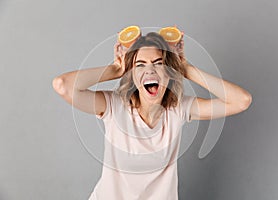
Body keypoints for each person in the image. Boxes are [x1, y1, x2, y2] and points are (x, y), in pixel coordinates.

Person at [52, 31, 252, 200]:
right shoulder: (114, 106)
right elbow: (63, 86)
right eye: (140, 65)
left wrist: (185, 69)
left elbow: (241, 100)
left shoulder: (178, 109)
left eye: (158, 64)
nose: (150, 70)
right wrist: (115, 70)